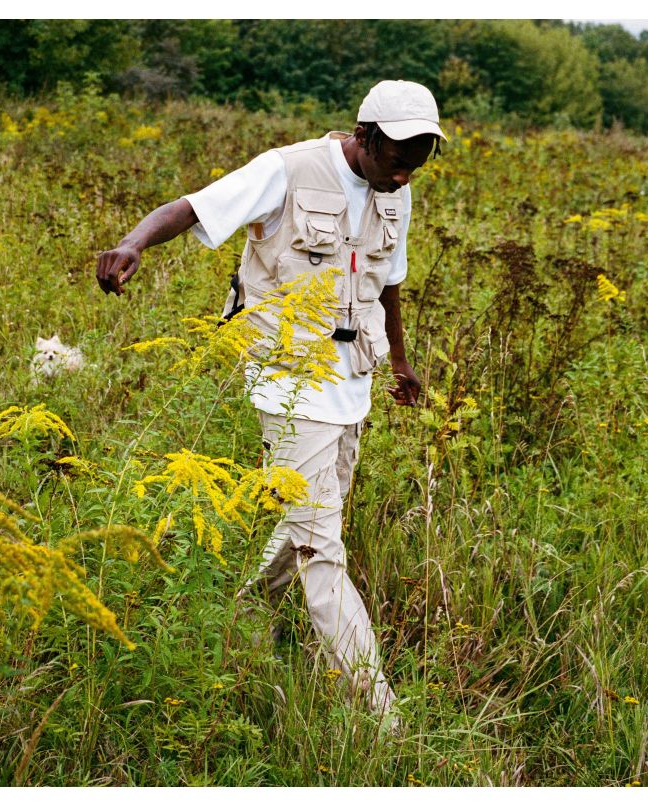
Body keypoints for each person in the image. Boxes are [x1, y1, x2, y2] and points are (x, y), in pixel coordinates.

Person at [96, 79, 446, 723]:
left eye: (417, 163)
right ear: (364, 137)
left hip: (351, 382)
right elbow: (194, 207)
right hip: (289, 383)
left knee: (303, 522)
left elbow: (387, 281)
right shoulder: (287, 170)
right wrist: (134, 243)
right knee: (323, 550)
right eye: (397, 159)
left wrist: (398, 359)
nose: (404, 175)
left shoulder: (398, 189)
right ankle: (383, 716)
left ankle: (241, 617)